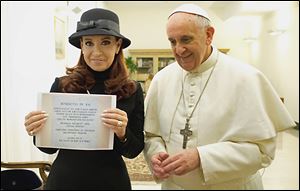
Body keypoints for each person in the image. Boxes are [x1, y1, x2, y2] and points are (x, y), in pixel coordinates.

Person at [143, 3, 296, 190]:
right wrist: (157, 154)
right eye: (172, 41)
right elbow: (152, 135)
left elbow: (262, 152)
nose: (179, 50)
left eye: (186, 39)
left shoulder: (246, 78)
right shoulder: (161, 79)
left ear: (208, 35)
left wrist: (201, 157)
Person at [24, 8, 144, 190]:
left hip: (111, 182)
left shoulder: (131, 89)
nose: (96, 52)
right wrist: (37, 130)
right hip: (65, 181)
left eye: (105, 42)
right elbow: (48, 149)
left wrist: (122, 133)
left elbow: (134, 151)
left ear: (118, 45)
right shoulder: (62, 86)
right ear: (81, 45)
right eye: (89, 43)